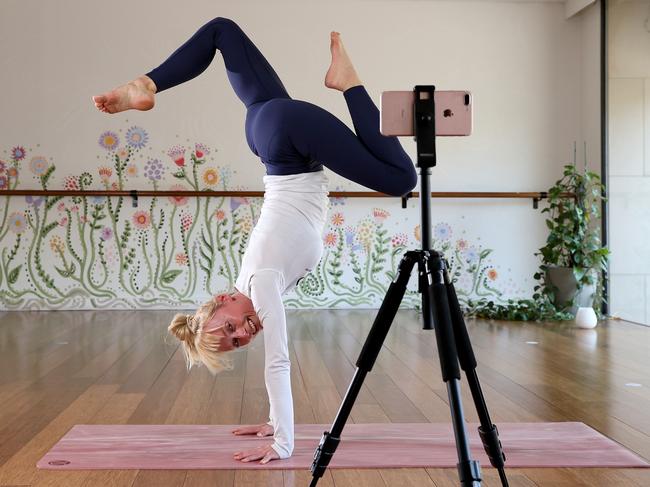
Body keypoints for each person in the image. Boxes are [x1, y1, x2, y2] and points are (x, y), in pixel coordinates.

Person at [93, 17, 416, 464]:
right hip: (266, 130)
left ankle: (349, 83)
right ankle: (145, 84)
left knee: (401, 179)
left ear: (224, 298)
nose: (245, 332)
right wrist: (271, 421)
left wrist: (283, 442)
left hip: (287, 139)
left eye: (230, 326)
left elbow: (278, 362)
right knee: (223, 30)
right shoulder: (255, 282)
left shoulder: (261, 283)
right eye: (239, 342)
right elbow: (267, 353)